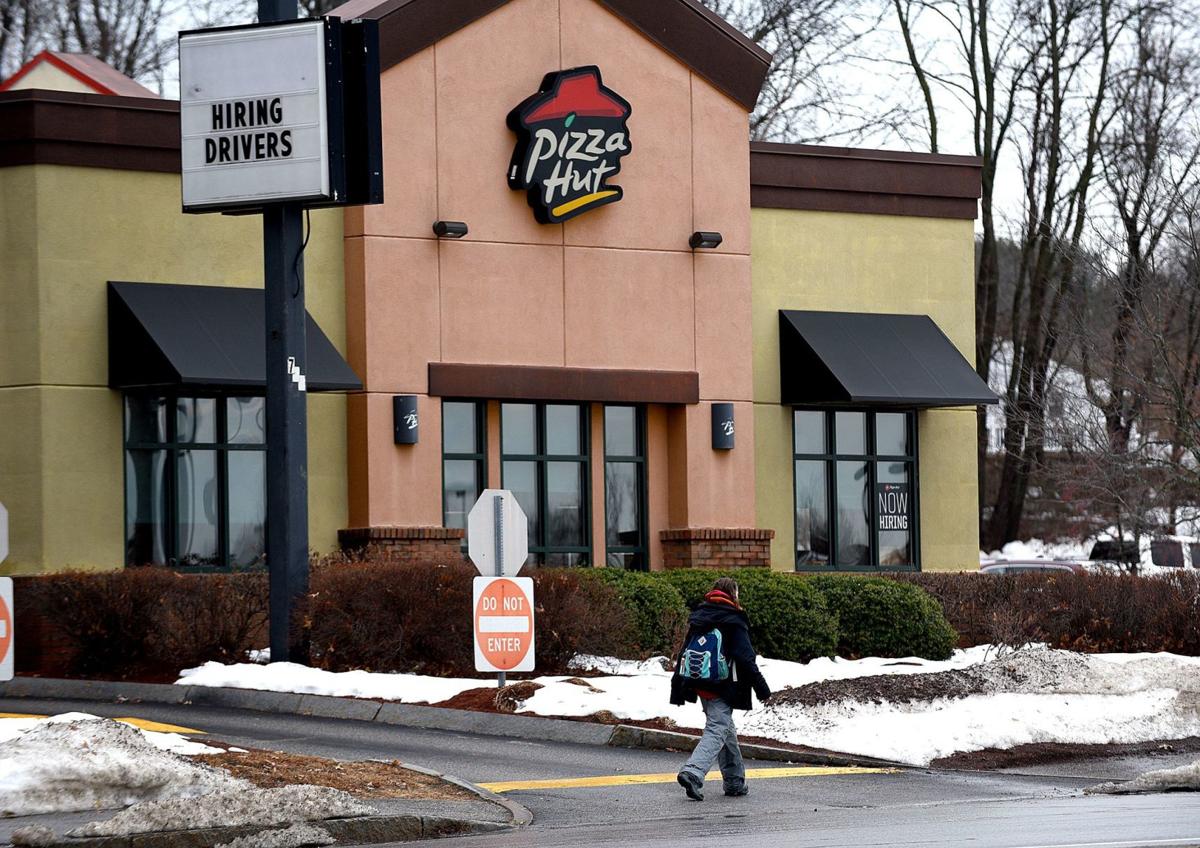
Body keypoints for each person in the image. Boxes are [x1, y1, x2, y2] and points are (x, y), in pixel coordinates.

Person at [670, 576, 772, 801]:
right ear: (733, 594)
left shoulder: (700, 615)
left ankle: (735, 782)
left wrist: (677, 685)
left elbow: (684, 651)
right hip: (723, 686)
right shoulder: (733, 619)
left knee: (726, 729)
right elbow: (746, 659)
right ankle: (693, 772)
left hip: (699, 682)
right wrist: (763, 689)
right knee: (717, 729)